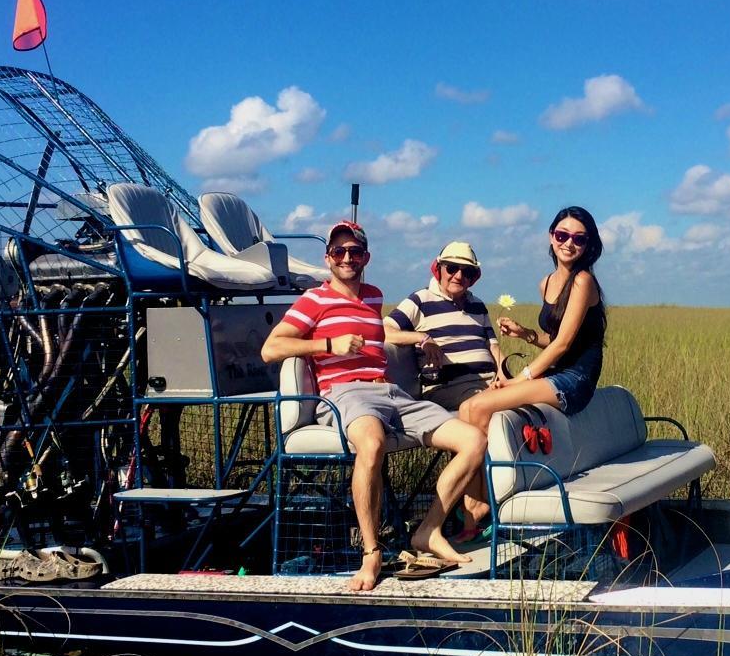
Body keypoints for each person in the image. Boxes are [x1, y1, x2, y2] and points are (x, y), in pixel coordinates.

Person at [260, 220, 486, 591]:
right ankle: (371, 551)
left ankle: (428, 531)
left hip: (391, 392)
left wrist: (419, 340)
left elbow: (383, 338)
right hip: (344, 394)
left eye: (355, 252)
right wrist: (328, 346)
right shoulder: (314, 300)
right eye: (340, 251)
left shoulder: (374, 296)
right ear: (328, 258)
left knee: (474, 440)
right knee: (372, 443)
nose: (347, 257)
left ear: (366, 257)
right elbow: (272, 348)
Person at [457, 204, 606, 434]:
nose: (568, 243)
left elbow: (563, 344)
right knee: (466, 409)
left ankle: (501, 470)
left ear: (588, 245)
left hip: (576, 380)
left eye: (579, 239)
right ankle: (482, 470)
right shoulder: (546, 283)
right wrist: (524, 333)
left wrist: (520, 379)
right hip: (554, 374)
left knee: (478, 407)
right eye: (562, 235)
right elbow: (556, 339)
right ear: (551, 236)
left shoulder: (582, 281)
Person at [386, 241, 506, 412]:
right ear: (438, 268)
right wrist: (422, 337)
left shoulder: (477, 305)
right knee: (492, 404)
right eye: (452, 268)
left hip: (489, 383)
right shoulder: (421, 300)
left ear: (474, 277)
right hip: (446, 388)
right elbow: (381, 331)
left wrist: (507, 378)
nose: (458, 276)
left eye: (467, 271)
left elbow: (493, 347)